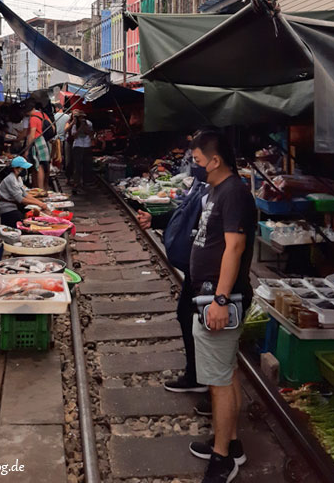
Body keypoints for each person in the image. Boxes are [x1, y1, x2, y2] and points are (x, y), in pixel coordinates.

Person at [187, 129, 256, 483]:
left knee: (217, 381)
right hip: (210, 294)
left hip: (219, 299)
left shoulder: (233, 193)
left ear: (215, 161)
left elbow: (235, 248)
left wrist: (220, 300)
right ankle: (229, 441)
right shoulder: (217, 190)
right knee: (226, 374)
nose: (195, 165)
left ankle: (222, 459)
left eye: (198, 160)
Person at [136, 167, 209, 394]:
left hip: (210, 271)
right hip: (199, 267)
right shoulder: (203, 186)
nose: (195, 165)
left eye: (198, 159)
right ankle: (197, 375)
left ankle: (204, 380)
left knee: (196, 319)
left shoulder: (222, 193)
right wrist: (156, 219)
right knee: (187, 315)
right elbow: (184, 213)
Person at [0, 157, 52, 227]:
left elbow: (25, 194)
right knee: (24, 224)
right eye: (23, 168)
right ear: (15, 169)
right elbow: (21, 199)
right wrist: (39, 204)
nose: (25, 170)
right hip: (8, 209)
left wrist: (40, 203)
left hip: (16, 206)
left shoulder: (18, 178)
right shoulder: (11, 179)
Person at [23, 100, 53, 192]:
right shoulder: (43, 114)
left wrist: (27, 150)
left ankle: (40, 189)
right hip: (45, 141)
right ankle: (44, 187)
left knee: (38, 166)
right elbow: (53, 127)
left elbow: (31, 135)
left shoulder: (33, 118)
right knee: (44, 165)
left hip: (37, 142)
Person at [68, 109, 94, 194]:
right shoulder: (75, 125)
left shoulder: (89, 123)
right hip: (77, 145)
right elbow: (74, 136)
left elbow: (91, 134)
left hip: (87, 145)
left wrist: (85, 127)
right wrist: (80, 128)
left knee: (87, 165)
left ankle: (86, 182)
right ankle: (76, 183)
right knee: (77, 166)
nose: (81, 119)